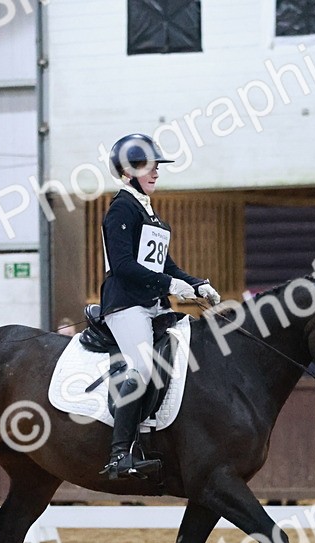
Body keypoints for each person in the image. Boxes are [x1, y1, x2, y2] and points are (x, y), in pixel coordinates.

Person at [98, 133, 222, 479]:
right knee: (142, 367)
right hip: (126, 306)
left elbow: (164, 264)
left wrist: (196, 283)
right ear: (126, 173)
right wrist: (170, 285)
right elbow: (122, 265)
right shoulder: (121, 208)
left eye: (155, 167)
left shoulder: (148, 211)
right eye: (146, 167)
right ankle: (119, 454)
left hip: (152, 304)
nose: (155, 173)